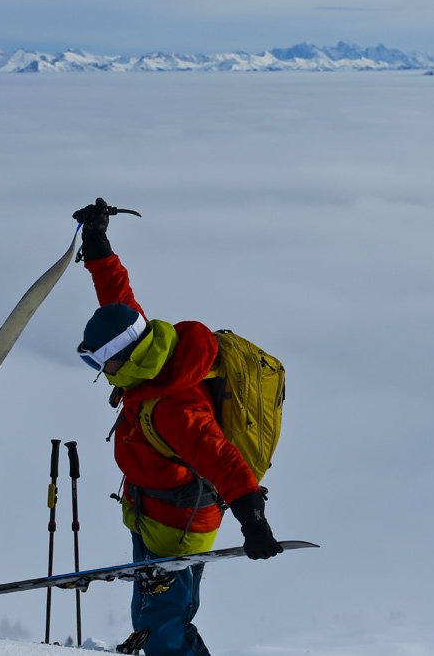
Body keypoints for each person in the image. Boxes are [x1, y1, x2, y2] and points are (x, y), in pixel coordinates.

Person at [72, 199, 283, 656]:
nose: (97, 368)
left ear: (122, 355)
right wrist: (96, 242)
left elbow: (221, 456)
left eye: (97, 359)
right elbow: (117, 298)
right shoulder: (147, 354)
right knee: (154, 617)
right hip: (151, 509)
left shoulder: (173, 405)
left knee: (161, 626)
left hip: (178, 527)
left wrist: (254, 521)